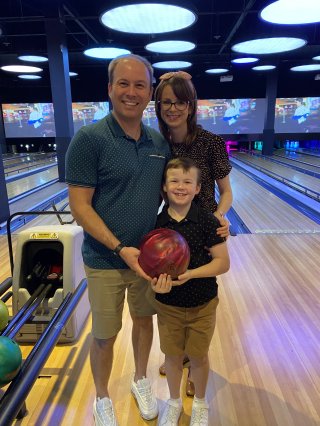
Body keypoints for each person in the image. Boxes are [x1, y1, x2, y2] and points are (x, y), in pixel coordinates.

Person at [65, 54, 171, 426]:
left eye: (140, 85)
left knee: (145, 323)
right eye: (123, 84)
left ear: (150, 91)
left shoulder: (159, 141)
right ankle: (103, 397)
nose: (131, 92)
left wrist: (215, 219)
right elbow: (80, 207)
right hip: (105, 259)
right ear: (109, 89)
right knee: (105, 335)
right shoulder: (89, 139)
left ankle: (141, 380)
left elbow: (175, 194)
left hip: (148, 259)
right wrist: (119, 248)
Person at [154, 70, 232, 396]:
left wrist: (216, 219)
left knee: (200, 297)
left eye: (179, 102)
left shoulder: (212, 142)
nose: (172, 108)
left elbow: (226, 192)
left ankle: (193, 360)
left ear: (190, 105)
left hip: (201, 234)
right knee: (172, 299)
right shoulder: (156, 145)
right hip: (169, 235)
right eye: (166, 102)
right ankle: (179, 355)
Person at [148, 157, 230, 425]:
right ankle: (173, 402)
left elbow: (223, 263)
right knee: (172, 356)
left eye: (187, 181)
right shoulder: (157, 225)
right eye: (174, 181)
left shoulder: (207, 221)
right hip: (168, 304)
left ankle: (200, 403)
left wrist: (190, 274)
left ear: (197, 188)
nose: (180, 186)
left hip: (202, 304)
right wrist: (154, 281)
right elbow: (150, 266)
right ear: (164, 187)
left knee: (198, 356)